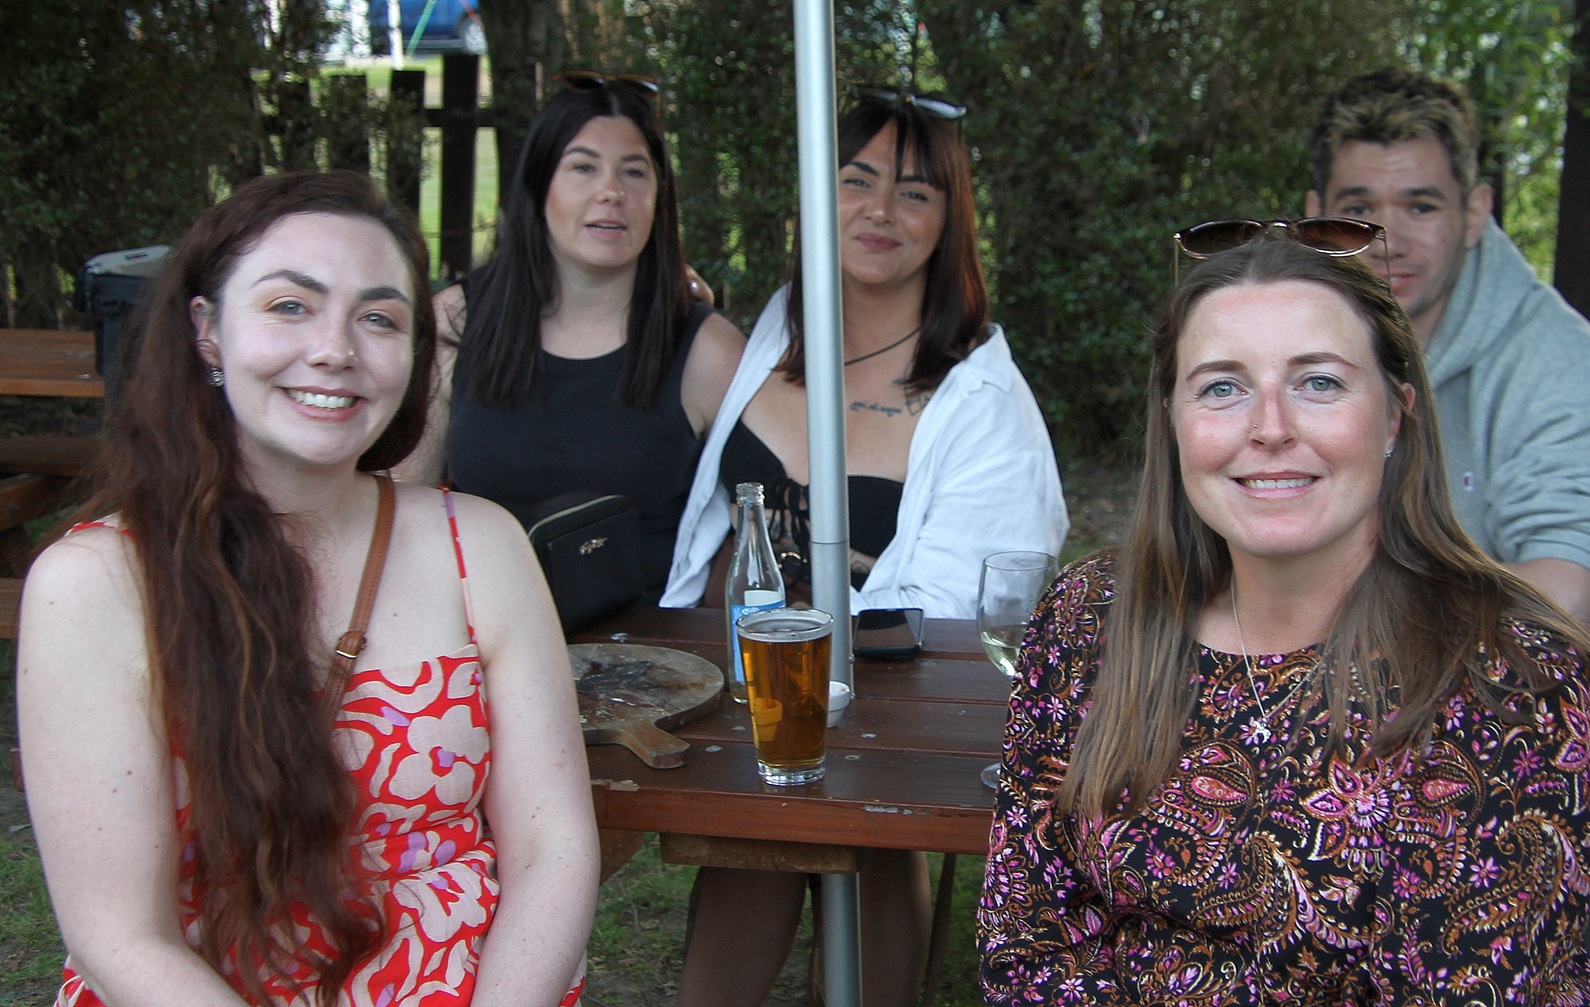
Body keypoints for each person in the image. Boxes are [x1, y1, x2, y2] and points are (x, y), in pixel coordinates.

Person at [978, 231, 1590, 1003]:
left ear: (1397, 415)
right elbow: (1026, 941)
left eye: (1318, 382)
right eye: (1222, 386)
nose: (1270, 426)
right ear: (1172, 418)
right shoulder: (1095, 616)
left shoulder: (1515, 682)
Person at [17, 170, 599, 1007]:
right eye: (290, 305)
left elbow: (556, 848)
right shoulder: (95, 585)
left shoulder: (482, 543)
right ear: (207, 329)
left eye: (378, 317)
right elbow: (118, 936)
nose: (336, 348)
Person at [668, 90, 1068, 1006]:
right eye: (855, 179)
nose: (881, 210)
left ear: (950, 220)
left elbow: (970, 609)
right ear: (816, 195)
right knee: (753, 832)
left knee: (850, 831)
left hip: (896, 704)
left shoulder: (980, 401)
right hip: (742, 690)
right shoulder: (774, 328)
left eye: (916, 191)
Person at [1304, 68, 1590, 643]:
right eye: (1359, 206)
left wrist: (1316, 604)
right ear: (1319, 215)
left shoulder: (1554, 360)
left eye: (1421, 207)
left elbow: (1563, 597)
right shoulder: (1279, 333)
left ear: (1474, 213)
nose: (1388, 239)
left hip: (1502, 702)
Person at [397, 71, 743, 603]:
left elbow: (758, 528)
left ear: (658, 197)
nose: (611, 192)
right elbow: (403, 509)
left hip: (657, 663)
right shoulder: (457, 323)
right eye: (583, 168)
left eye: (635, 172)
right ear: (538, 187)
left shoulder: (707, 350)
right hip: (478, 646)